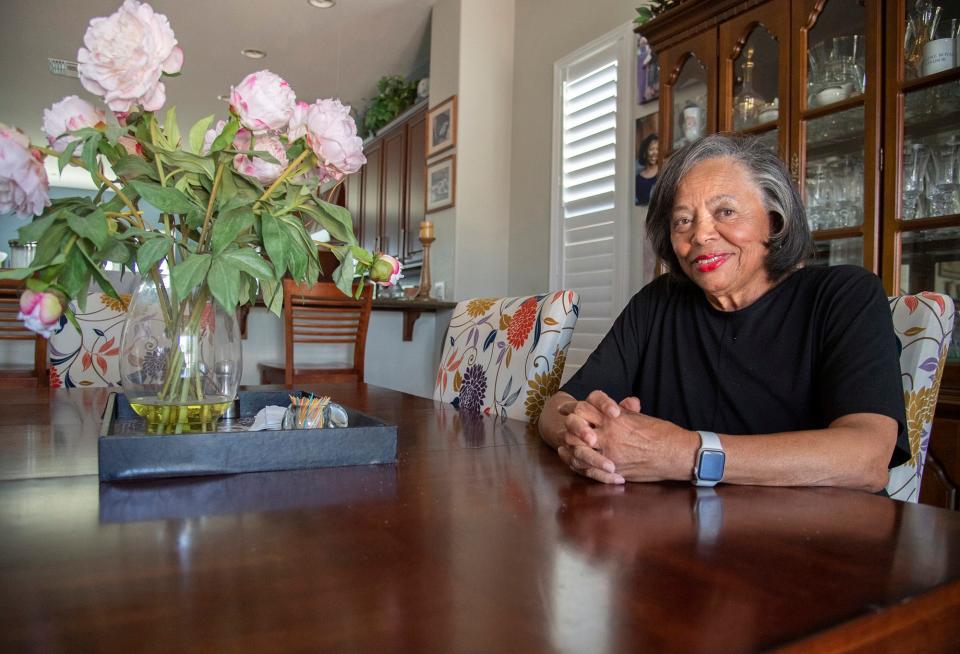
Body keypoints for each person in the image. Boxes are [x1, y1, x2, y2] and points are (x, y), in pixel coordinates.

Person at [539, 134, 908, 493]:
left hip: (809, 544)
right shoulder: (657, 303)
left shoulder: (844, 296)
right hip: (676, 539)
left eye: (725, 212)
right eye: (683, 220)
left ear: (775, 221)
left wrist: (685, 454)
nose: (700, 235)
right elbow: (556, 408)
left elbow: (868, 459)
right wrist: (582, 436)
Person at [635, 133, 659, 205]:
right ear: (645, 152)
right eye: (651, 149)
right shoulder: (637, 179)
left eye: (657, 149)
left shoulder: (663, 172)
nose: (655, 153)